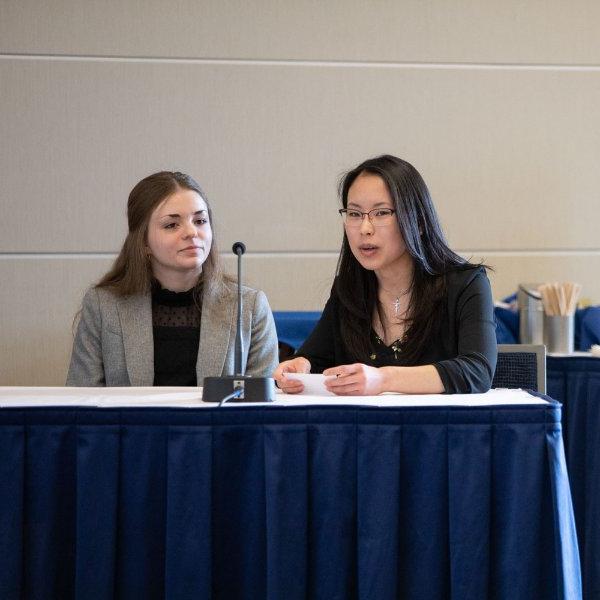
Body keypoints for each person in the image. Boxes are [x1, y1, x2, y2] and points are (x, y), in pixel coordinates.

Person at [274, 155, 497, 395]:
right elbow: (316, 358)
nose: (364, 228)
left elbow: (477, 371)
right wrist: (300, 367)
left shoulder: (465, 284)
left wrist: (383, 379)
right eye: (354, 214)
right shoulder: (349, 289)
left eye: (380, 213)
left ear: (418, 221)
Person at [67, 171, 278, 386]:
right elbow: (81, 402)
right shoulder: (103, 306)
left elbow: (262, 411)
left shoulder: (249, 307)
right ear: (143, 242)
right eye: (171, 225)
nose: (191, 232)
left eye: (200, 220)